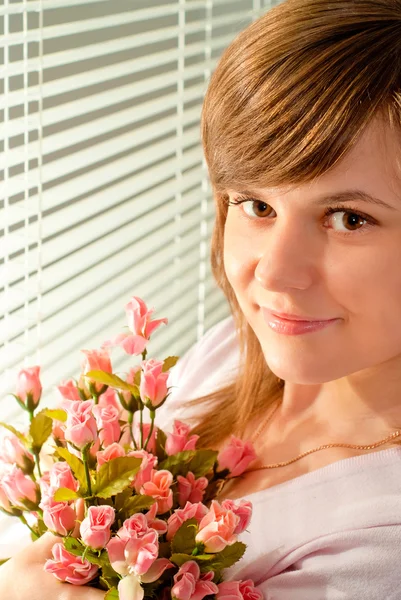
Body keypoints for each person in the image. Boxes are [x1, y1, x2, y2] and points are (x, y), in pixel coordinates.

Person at [2, 0, 401, 597]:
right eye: (257, 206)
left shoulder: (381, 544)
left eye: (348, 217)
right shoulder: (232, 355)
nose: (275, 274)